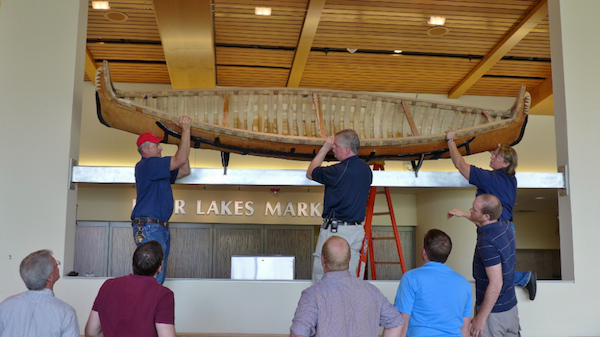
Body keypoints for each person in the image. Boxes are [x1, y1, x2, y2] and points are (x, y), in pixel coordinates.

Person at [445, 130, 536, 300]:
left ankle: (524, 278)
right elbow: (484, 218)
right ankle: (523, 279)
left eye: (495, 156)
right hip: (505, 228)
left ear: (506, 163)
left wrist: (450, 140)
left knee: (491, 274)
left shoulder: (490, 179)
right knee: (489, 271)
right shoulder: (510, 178)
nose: (491, 158)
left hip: (497, 230)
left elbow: (460, 165)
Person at [290, 236, 404, 337]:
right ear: (350, 258)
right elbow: (396, 323)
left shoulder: (312, 295)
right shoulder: (372, 291)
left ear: (323, 259)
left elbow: (298, 334)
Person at [131, 115, 192, 284]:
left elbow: (184, 169)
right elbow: (180, 159)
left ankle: (151, 309)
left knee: (157, 276)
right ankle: (146, 309)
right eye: (156, 145)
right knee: (153, 277)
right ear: (145, 150)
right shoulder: (148, 165)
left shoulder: (156, 169)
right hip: (151, 227)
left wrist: (181, 140)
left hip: (157, 227)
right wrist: (186, 130)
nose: (160, 149)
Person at [448, 194, 519, 337]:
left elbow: (496, 283)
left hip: (493, 314)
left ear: (486, 216)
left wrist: (481, 318)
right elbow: (480, 222)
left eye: (474, 209)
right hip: (510, 308)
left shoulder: (487, 241)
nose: (470, 210)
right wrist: (463, 214)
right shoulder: (504, 227)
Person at [306, 129, 372, 282]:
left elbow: (310, 173)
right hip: (356, 230)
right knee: (349, 277)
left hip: (337, 231)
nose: (333, 148)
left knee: (322, 275)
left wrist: (324, 147)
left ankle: (323, 306)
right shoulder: (366, 170)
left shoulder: (340, 170)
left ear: (347, 149)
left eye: (336, 145)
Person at [85, 240, 176, 337]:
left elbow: (91, 333)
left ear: (133, 264)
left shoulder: (107, 286)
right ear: (159, 268)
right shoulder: (163, 294)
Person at [394, 229, 472, 337]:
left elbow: (402, 321)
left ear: (424, 252)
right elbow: (465, 330)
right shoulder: (464, 284)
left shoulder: (411, 278)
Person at [0, 250, 79, 337]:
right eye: (56, 265)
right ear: (49, 277)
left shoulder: (5, 305)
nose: (58, 267)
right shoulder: (66, 312)